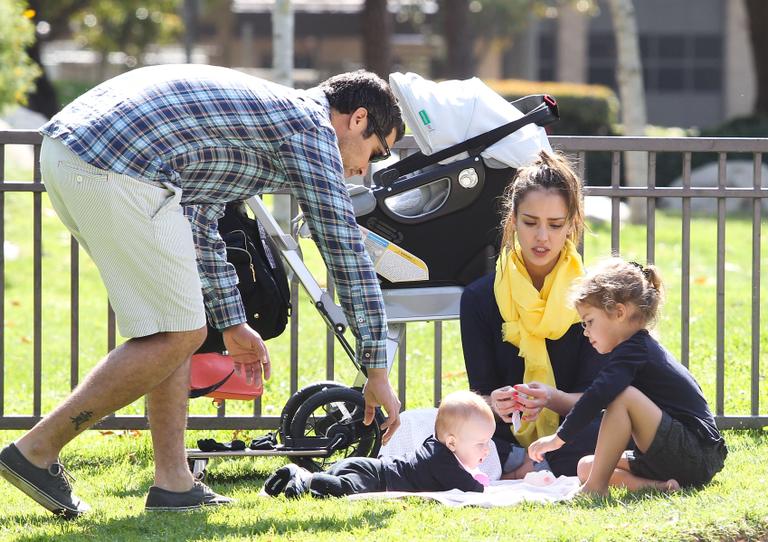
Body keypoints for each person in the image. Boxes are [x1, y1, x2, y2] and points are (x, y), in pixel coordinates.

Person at [0, 65, 404, 517]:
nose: (365, 167)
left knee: (174, 329)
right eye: (378, 151)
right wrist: (377, 368)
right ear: (358, 119)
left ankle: (174, 483)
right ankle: (36, 450)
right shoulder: (310, 128)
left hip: (75, 152)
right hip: (116, 164)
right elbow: (343, 246)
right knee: (178, 333)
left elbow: (199, 218)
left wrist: (231, 321)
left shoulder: (269, 120)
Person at [459, 151, 604, 479]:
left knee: (608, 424)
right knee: (451, 426)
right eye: (530, 222)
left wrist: (552, 399)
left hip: (573, 434)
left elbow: (596, 397)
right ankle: (531, 465)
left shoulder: (592, 297)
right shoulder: (479, 298)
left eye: (555, 225)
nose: (542, 237)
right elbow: (479, 393)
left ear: (572, 225)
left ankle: (530, 466)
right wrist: (493, 404)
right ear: (512, 221)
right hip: (501, 440)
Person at [528, 258, 728, 496]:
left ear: (619, 312)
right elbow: (599, 400)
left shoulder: (636, 349)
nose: (586, 332)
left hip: (696, 452)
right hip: (677, 456)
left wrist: (558, 438)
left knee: (622, 396)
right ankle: (661, 487)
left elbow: (599, 395)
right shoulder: (633, 350)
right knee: (587, 466)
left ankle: (595, 489)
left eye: (589, 321)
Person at [264, 390, 496, 498]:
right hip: (375, 476)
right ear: (452, 442)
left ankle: (296, 475)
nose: (486, 450)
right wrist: (480, 485)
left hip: (367, 467)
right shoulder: (442, 460)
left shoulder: (438, 447)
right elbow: (473, 489)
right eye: (481, 444)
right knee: (343, 489)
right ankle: (307, 478)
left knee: (331, 486)